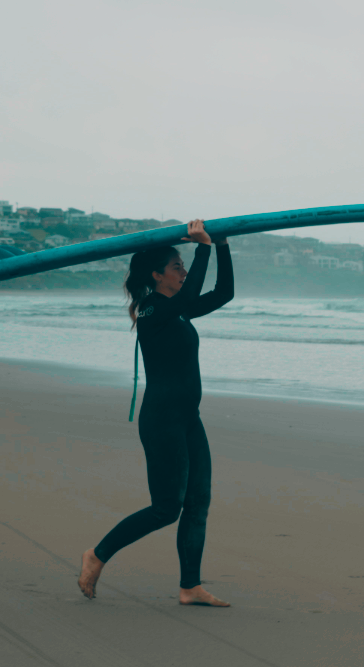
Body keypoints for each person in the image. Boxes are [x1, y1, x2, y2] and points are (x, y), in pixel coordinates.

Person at [78, 219, 234, 607]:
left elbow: (224, 293)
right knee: (167, 508)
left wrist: (223, 246)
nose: (182, 273)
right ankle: (96, 555)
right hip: (162, 419)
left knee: (198, 501)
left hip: (188, 420)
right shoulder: (151, 309)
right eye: (176, 267)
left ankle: (190, 587)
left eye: (183, 267)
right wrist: (203, 248)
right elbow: (192, 292)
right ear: (156, 274)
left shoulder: (179, 312)